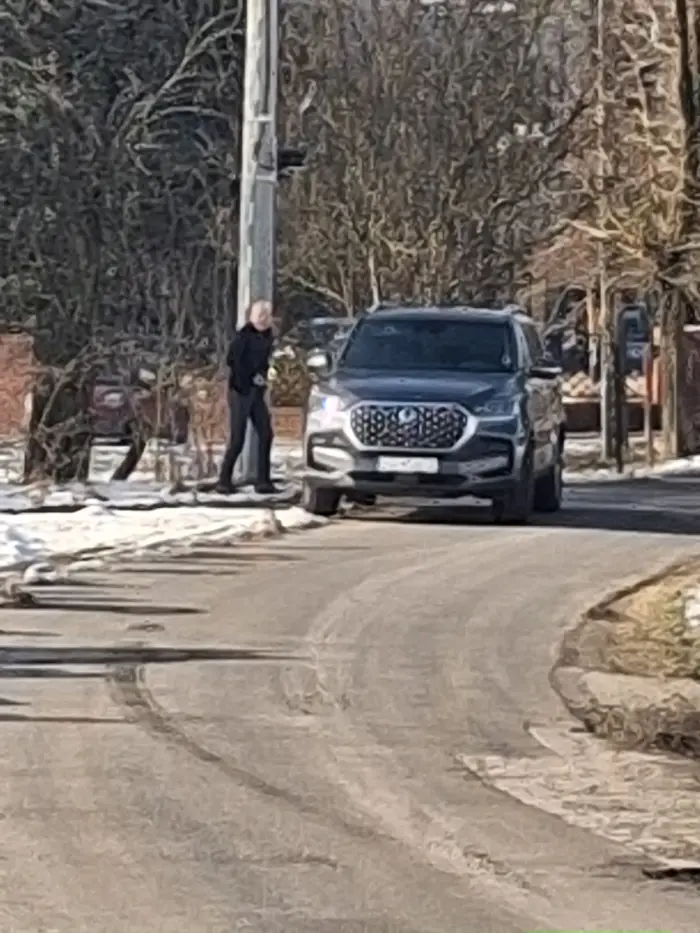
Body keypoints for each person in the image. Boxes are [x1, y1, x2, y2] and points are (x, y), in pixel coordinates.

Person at [216, 300, 278, 494]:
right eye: (259, 315)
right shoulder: (243, 337)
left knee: (266, 433)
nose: (263, 318)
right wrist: (252, 376)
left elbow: (265, 362)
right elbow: (232, 361)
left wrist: (267, 373)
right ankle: (224, 480)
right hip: (240, 391)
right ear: (251, 317)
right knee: (238, 439)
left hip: (256, 393)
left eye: (266, 315)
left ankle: (263, 480)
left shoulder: (269, 337)